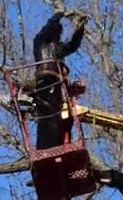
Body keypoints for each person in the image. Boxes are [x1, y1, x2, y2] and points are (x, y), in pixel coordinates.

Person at [32, 11, 86, 150]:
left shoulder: (58, 48)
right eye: (58, 32)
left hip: (56, 85)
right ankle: (47, 148)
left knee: (61, 116)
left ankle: (60, 145)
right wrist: (59, 15)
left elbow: (73, 45)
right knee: (49, 114)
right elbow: (46, 30)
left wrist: (79, 29)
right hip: (45, 79)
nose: (59, 35)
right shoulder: (41, 42)